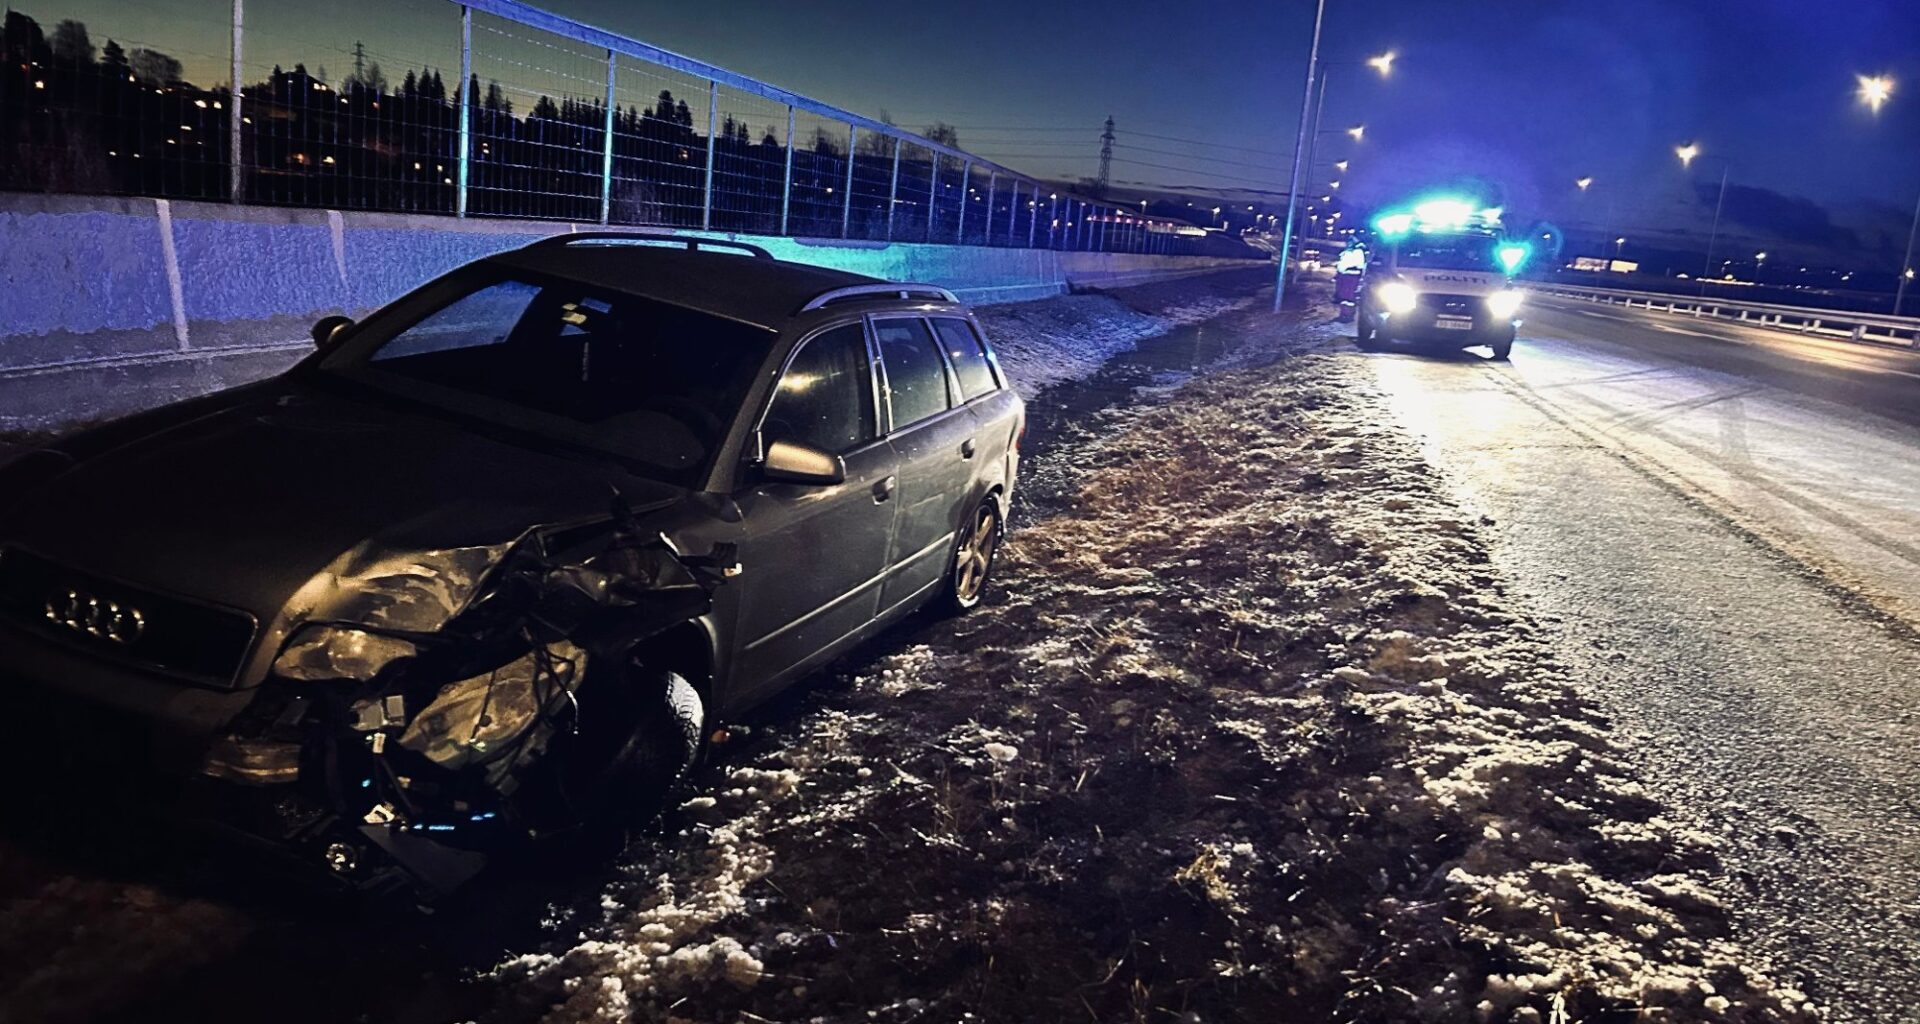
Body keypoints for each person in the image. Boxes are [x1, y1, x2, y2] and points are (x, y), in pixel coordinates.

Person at [1334, 239, 1367, 320]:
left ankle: (1348, 315)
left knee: (1349, 297)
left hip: (1351, 277)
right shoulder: (1348, 252)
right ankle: (1344, 314)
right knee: (1344, 297)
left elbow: (1358, 265)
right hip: (1345, 276)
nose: (1348, 244)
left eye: (1350, 243)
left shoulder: (1357, 252)